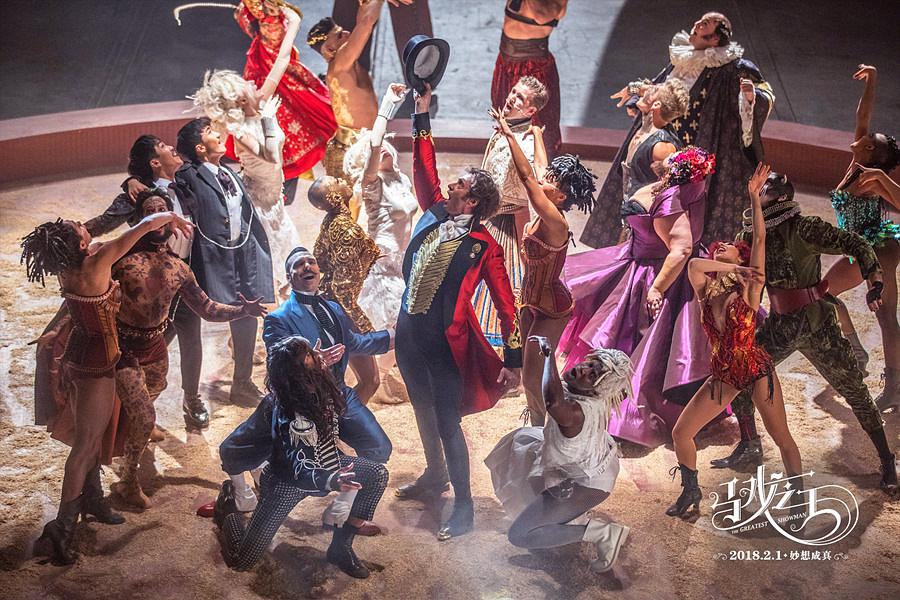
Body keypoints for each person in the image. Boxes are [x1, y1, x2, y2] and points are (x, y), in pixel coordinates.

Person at [711, 171, 897, 495]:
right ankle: (750, 444)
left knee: (855, 391)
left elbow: (856, 243)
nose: (760, 190)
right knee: (740, 373)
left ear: (782, 197)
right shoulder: (750, 234)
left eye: (767, 187)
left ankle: (887, 460)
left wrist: (875, 279)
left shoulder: (805, 227)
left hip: (817, 325)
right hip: (779, 326)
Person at [22, 210, 191, 564]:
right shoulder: (96, 263)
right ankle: (62, 529)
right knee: (85, 445)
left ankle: (93, 499)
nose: (85, 226)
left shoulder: (68, 266)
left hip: (79, 352)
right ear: (81, 244)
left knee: (94, 436)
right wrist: (170, 215)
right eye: (80, 228)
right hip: (97, 363)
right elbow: (142, 227)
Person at [393, 84, 522, 541]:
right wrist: (421, 113)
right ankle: (435, 474)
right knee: (421, 407)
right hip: (408, 334)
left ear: (472, 202)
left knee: (448, 422)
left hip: (445, 347)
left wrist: (513, 360)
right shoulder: (433, 211)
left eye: (461, 184)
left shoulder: (485, 247)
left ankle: (464, 505)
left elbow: (507, 306)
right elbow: (423, 166)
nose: (451, 184)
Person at [110, 190, 267, 509]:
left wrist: (242, 310)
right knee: (145, 415)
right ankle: (127, 480)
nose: (158, 217)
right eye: (151, 211)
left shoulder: (179, 268)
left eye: (163, 210)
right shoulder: (120, 263)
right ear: (140, 220)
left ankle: (134, 433)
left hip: (155, 349)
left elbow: (207, 308)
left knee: (149, 399)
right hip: (124, 350)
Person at [667, 164, 802, 517]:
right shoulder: (708, 288)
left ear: (742, 256)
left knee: (782, 439)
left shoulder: (751, 289)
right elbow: (694, 265)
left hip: (755, 371)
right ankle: (691, 493)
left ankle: (799, 502)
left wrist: (755, 198)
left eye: (730, 247)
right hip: (724, 375)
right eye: (720, 245)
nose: (722, 245)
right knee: (682, 432)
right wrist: (732, 267)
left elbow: (760, 240)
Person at [558, 147, 716, 447]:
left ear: (678, 171)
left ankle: (626, 417)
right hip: (635, 263)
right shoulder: (674, 189)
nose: (670, 154)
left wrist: (657, 288)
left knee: (643, 351)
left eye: (676, 158)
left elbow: (681, 249)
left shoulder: (673, 200)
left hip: (653, 275)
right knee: (618, 338)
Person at [581, 12, 774, 248]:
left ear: (715, 39)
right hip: (660, 131)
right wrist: (636, 94)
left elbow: (762, 95)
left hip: (699, 140)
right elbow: (663, 88)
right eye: (700, 20)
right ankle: (631, 240)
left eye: (705, 24)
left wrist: (750, 98)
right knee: (638, 184)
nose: (696, 24)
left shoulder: (731, 68)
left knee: (675, 199)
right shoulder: (685, 57)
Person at [215, 336, 389, 577]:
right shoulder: (285, 410)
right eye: (308, 354)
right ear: (297, 373)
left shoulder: (321, 385)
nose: (318, 354)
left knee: (376, 474)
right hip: (287, 482)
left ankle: (341, 547)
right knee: (241, 560)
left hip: (329, 464)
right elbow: (296, 465)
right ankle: (227, 508)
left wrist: (317, 364)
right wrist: (331, 480)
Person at [255, 246, 393, 534]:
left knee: (379, 447)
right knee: (302, 465)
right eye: (299, 264)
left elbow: (355, 343)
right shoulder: (279, 318)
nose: (307, 266)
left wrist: (394, 337)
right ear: (289, 277)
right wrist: (310, 363)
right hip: (304, 402)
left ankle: (343, 511)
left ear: (319, 271)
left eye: (311, 262)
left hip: (339, 393)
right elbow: (276, 363)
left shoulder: (333, 308)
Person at [82, 135, 209, 430]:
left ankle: (191, 399)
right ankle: (132, 412)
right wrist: (74, 235)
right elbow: (103, 223)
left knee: (192, 337)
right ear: (153, 162)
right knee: (148, 346)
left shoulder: (184, 182)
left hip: (182, 274)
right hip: (149, 284)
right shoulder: (138, 195)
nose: (172, 148)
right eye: (163, 147)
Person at [489, 106, 596, 426]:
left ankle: (547, 431)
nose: (543, 179)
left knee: (534, 378)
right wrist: (536, 133)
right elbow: (538, 167)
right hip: (530, 300)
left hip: (552, 308)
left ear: (560, 196)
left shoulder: (555, 221)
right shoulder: (546, 207)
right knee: (530, 375)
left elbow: (527, 177)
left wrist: (510, 134)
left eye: (550, 181)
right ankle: (540, 427)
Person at [485, 336, 631, 573]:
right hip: (587, 462)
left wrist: (548, 356)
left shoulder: (575, 412)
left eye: (593, 375)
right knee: (522, 447)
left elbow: (553, 403)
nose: (583, 370)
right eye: (590, 364)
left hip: (588, 480)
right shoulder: (587, 394)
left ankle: (602, 533)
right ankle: (563, 520)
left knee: (520, 535)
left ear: (597, 389)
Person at [175, 117, 275, 405]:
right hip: (207, 259)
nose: (218, 135)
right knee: (188, 323)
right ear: (199, 148)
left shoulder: (227, 171)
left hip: (239, 255)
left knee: (246, 312)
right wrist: (133, 180)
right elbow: (162, 182)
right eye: (210, 132)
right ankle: (191, 396)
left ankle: (242, 383)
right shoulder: (189, 174)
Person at [823, 65, 900, 410]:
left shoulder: (870, 179)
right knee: (823, 295)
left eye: (871, 142)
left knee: (884, 317)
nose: (865, 137)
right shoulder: (857, 164)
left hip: (876, 249)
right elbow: (863, 115)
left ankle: (893, 385)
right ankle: (856, 352)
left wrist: (882, 180)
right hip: (862, 247)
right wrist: (872, 79)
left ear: (872, 155)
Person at [192, 68, 302, 296]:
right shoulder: (242, 133)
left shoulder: (259, 105)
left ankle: (287, 301)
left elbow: (281, 62)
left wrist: (291, 38)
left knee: (287, 256)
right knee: (268, 264)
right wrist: (268, 120)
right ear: (242, 100)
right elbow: (271, 157)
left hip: (274, 196)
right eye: (247, 84)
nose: (252, 82)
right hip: (258, 202)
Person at [234, 0, 338, 203]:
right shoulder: (261, 93)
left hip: (261, 184)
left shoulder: (239, 121)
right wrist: (293, 23)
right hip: (268, 184)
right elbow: (280, 58)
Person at [473, 76, 547, 348]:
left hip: (506, 228)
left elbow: (526, 197)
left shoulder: (524, 144)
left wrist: (525, 253)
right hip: (487, 219)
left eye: (520, 98)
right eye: (513, 92)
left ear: (530, 110)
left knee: (500, 293)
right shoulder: (505, 130)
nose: (511, 99)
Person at [343, 83, 418, 332]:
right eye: (371, 151)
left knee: (399, 326)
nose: (380, 147)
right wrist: (387, 106)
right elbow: (376, 144)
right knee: (387, 326)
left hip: (401, 259)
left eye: (386, 142)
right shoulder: (372, 184)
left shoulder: (402, 179)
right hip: (381, 263)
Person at [308, 176, 383, 404]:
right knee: (370, 380)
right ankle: (343, 422)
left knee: (335, 382)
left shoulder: (330, 220)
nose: (342, 179)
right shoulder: (348, 231)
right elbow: (343, 287)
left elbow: (320, 259)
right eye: (337, 180)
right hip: (340, 311)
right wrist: (362, 324)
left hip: (325, 305)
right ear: (335, 196)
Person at [307, 0, 386, 184]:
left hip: (359, 143)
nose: (348, 33)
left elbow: (362, 19)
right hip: (354, 149)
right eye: (340, 35)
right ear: (330, 49)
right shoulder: (340, 63)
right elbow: (366, 23)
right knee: (357, 200)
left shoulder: (345, 62)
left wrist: (365, 5)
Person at [492, 1, 568, 158]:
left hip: (532, 67)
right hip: (506, 61)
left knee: (540, 127)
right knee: (504, 117)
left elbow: (542, 15)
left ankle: (544, 169)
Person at [618, 80, 690, 200]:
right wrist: (631, 89)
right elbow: (644, 90)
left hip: (642, 208)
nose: (649, 88)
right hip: (629, 202)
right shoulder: (649, 121)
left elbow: (665, 196)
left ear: (656, 105)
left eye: (654, 89)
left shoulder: (661, 147)